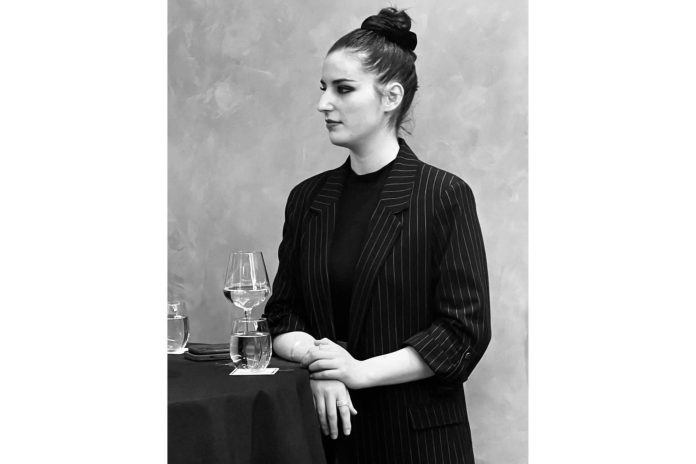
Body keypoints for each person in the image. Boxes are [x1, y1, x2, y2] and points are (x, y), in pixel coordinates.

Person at [265, 6, 491, 464]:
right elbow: (281, 316)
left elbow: (462, 334)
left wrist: (358, 372)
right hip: (325, 441)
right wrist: (321, 363)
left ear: (391, 96)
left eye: (343, 88)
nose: (324, 103)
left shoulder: (443, 195)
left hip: (417, 444)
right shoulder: (307, 199)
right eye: (324, 88)